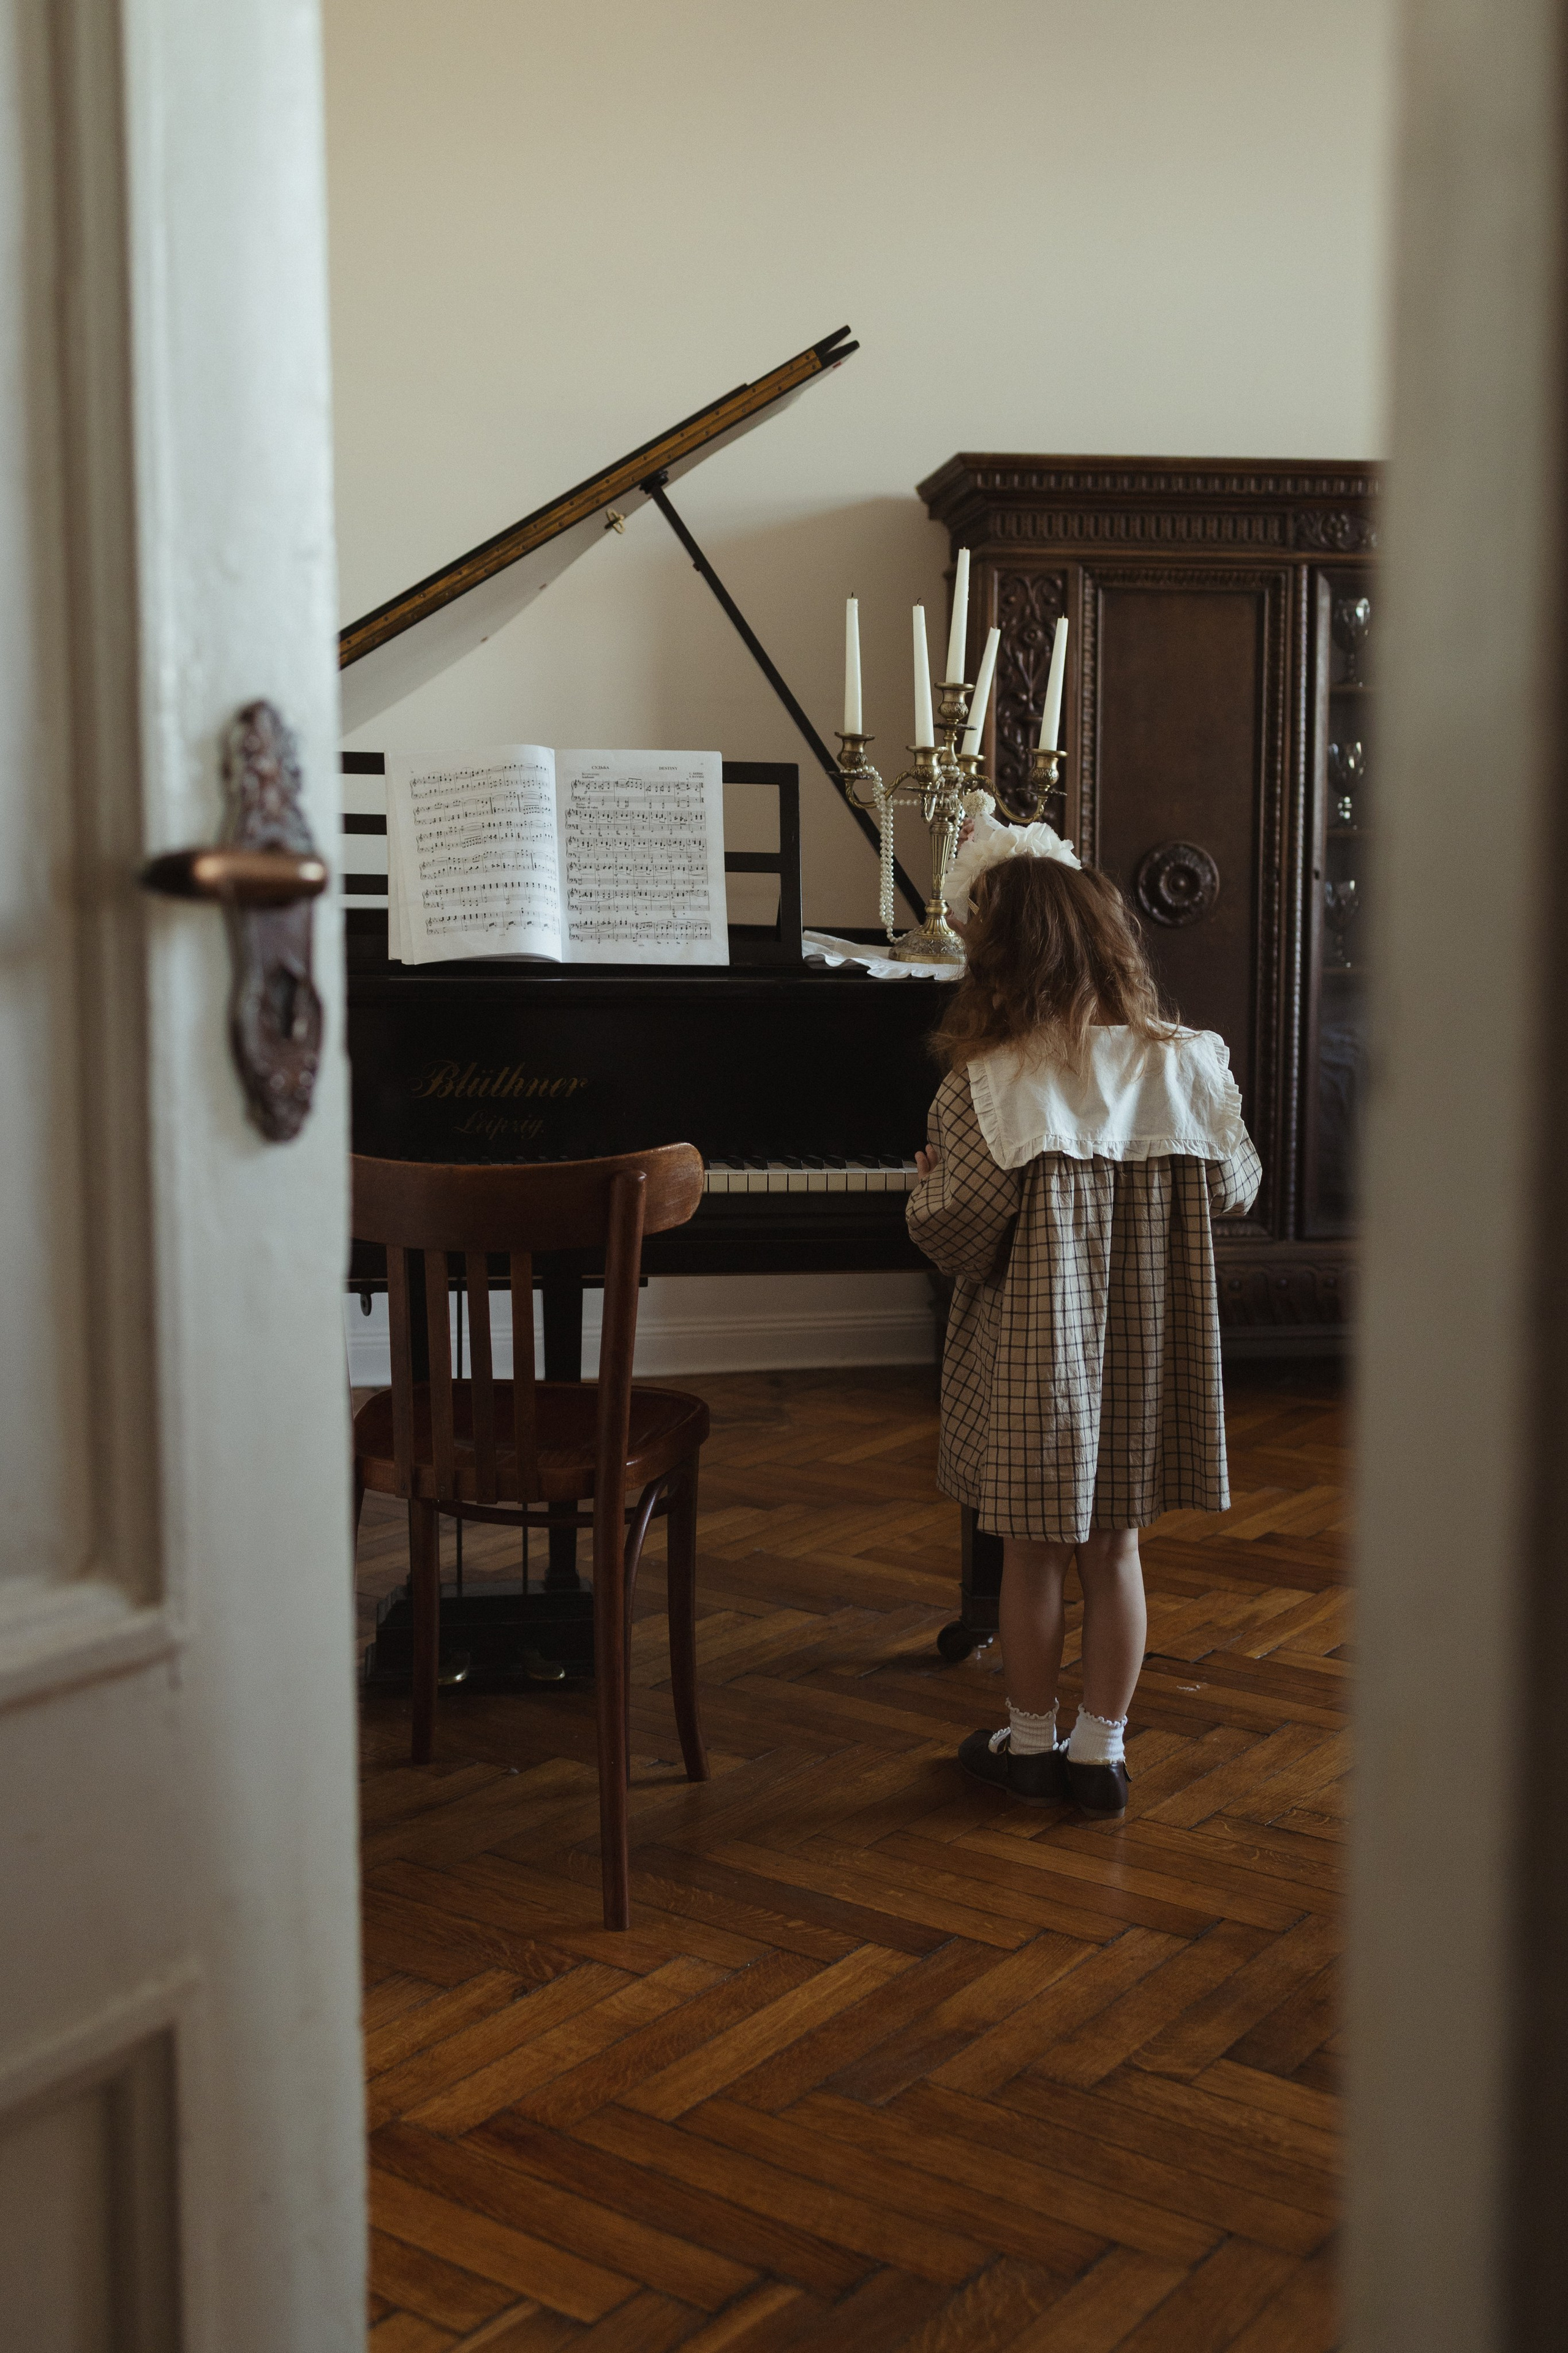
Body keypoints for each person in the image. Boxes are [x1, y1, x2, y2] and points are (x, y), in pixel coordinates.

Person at [907, 795, 1261, 1816]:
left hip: (1036, 1365)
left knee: (1031, 1551)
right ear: (1111, 943)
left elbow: (961, 1228)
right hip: (1147, 1355)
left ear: (1001, 960)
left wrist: (925, 1183)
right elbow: (1238, 1186)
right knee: (1117, 1550)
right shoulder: (1189, 1063)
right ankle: (1100, 1752)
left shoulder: (988, 1084)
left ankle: (1026, 1741)